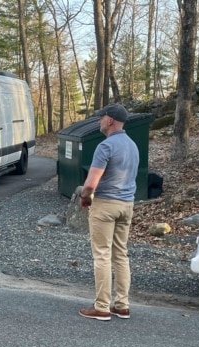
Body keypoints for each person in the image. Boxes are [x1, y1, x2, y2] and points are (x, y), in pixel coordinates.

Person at [78, 103, 139, 321]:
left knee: (101, 255)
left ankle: (102, 307)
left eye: (101, 117)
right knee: (120, 254)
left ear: (110, 120)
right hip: (127, 205)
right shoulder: (132, 145)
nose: (98, 121)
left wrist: (85, 197)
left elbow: (91, 183)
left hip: (105, 205)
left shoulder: (105, 146)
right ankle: (122, 305)